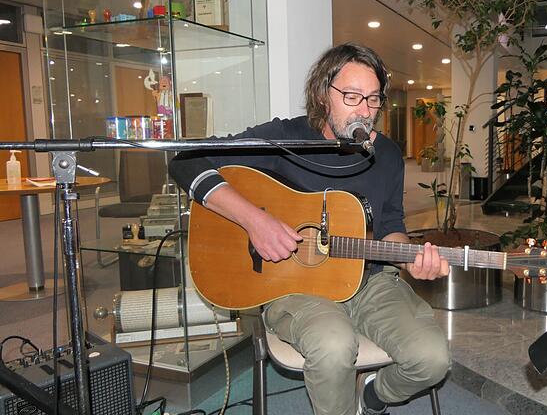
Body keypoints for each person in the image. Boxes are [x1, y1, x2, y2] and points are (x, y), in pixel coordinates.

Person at [169, 43, 450, 415]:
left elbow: (390, 227)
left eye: (373, 99)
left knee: (433, 359)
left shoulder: (387, 155)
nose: (364, 111)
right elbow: (186, 161)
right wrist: (255, 220)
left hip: (370, 282)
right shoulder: (283, 139)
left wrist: (411, 259)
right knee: (334, 345)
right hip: (293, 285)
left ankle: (373, 397)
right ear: (322, 94)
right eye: (351, 96)